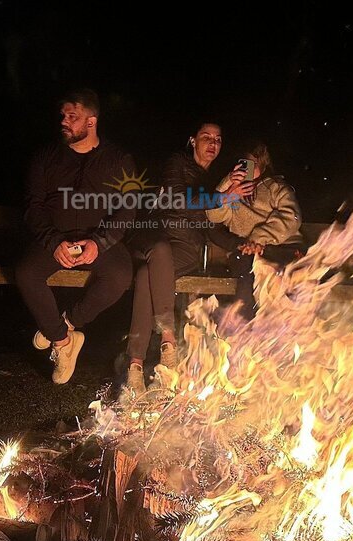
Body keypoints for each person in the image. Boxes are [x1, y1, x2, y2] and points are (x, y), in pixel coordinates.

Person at [16, 89, 135, 384]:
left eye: (72, 116)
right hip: (55, 240)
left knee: (120, 275)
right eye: (63, 116)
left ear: (91, 121)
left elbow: (127, 210)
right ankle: (62, 342)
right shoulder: (46, 157)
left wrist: (100, 242)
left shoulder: (118, 159)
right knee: (26, 273)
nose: (64, 122)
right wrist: (53, 241)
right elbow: (33, 207)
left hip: (97, 241)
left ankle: (67, 323)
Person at [122, 123, 241, 390]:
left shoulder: (216, 180)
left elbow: (212, 228)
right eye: (206, 137)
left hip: (186, 248)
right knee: (159, 251)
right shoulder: (177, 162)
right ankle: (168, 340)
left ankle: (135, 367)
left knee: (146, 276)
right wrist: (221, 198)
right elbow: (177, 199)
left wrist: (241, 244)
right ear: (193, 141)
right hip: (154, 234)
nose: (213, 143)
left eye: (218, 139)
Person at [206, 142, 304, 320]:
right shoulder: (233, 191)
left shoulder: (276, 187)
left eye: (252, 164)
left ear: (263, 164)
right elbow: (213, 216)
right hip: (247, 252)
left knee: (284, 279)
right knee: (246, 274)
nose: (246, 169)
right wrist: (228, 184)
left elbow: (291, 217)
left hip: (280, 248)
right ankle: (245, 327)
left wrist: (258, 238)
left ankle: (285, 329)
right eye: (242, 163)